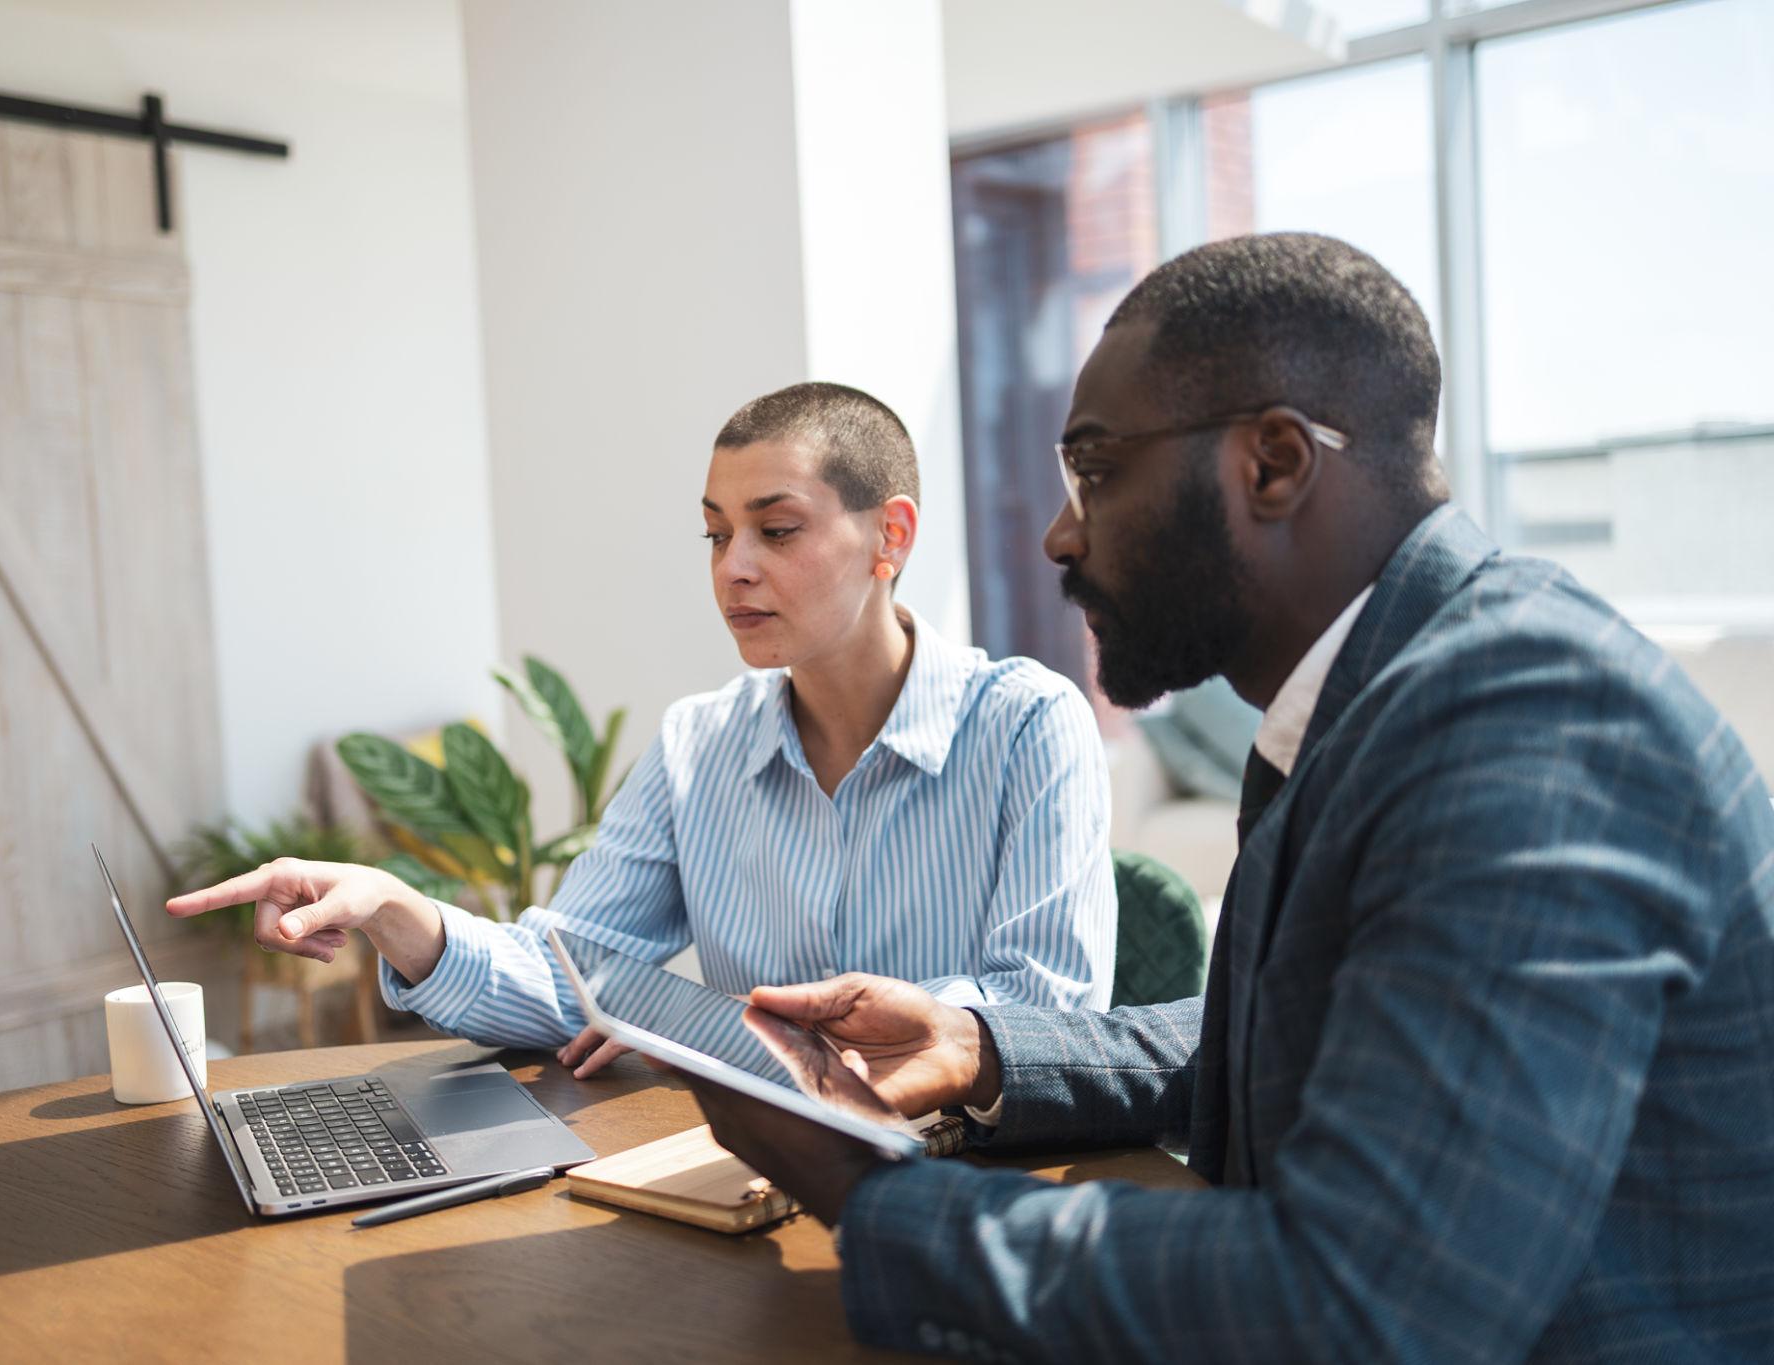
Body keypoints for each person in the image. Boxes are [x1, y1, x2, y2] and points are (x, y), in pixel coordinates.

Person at [684, 235, 1774, 1362]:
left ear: (1272, 465)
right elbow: (1314, 1035)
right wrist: (981, 1048)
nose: (1060, 534)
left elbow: (1358, 1303)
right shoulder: (1382, 694)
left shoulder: (1518, 733)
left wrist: (873, 1198)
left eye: (1095, 470)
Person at [169, 381, 1118, 1075]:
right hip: (759, 1173)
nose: (732, 567)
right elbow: (568, 972)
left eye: (774, 530)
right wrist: (391, 908)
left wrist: (690, 1022)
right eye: (715, 533)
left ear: (890, 537)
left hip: (964, 1186)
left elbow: (1040, 1021)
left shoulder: (1032, 726)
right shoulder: (697, 744)